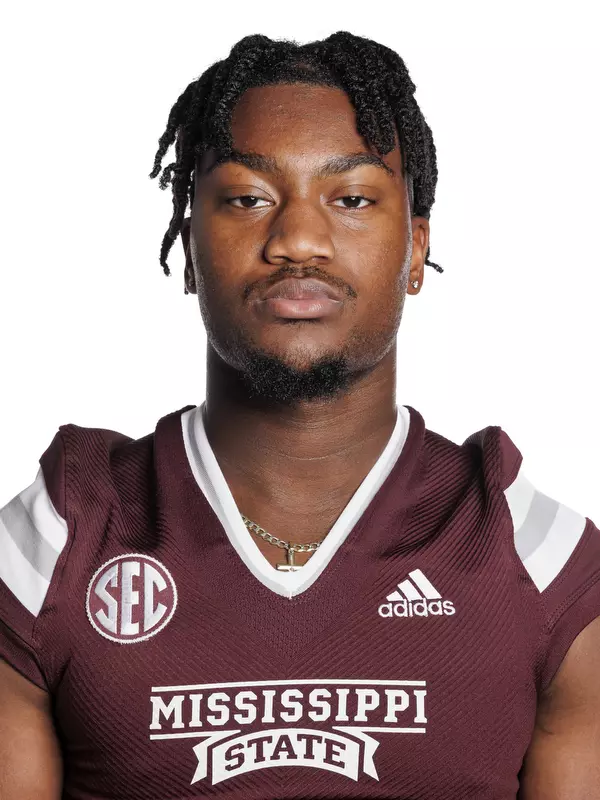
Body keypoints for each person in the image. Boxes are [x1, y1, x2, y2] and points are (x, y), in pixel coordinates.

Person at [0, 30, 598, 800]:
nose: (298, 240)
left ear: (416, 250)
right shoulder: (53, 546)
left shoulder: (534, 558)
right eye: (249, 198)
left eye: (350, 199)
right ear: (187, 248)